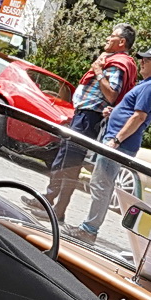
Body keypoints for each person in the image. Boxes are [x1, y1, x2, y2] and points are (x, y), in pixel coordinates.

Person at [77, 47, 151, 242]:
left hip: (119, 143)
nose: (141, 62)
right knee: (101, 183)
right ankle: (89, 228)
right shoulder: (148, 84)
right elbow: (133, 113)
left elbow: (138, 116)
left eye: (146, 59)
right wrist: (115, 112)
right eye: (142, 59)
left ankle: (88, 230)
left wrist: (116, 140)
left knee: (101, 184)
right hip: (118, 141)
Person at [45, 25, 136, 222]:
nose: (107, 38)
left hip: (90, 117)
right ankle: (52, 204)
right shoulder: (113, 60)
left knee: (69, 162)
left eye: (112, 36)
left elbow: (112, 94)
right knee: (67, 160)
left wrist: (97, 71)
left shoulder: (119, 63)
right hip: (83, 115)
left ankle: (53, 205)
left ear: (122, 42)